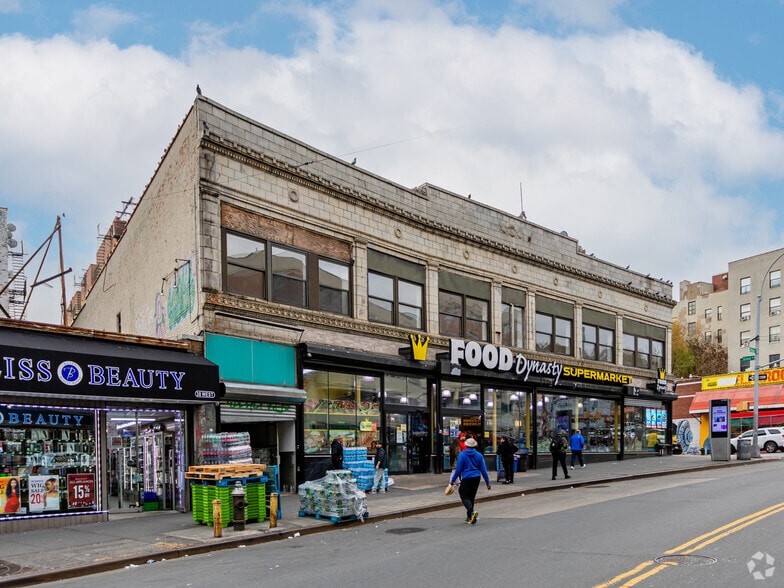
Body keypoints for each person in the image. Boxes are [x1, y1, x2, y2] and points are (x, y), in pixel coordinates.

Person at [449, 437, 491, 524]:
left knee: (463, 494)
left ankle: (471, 512)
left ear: (466, 445)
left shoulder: (462, 455)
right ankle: (469, 517)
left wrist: (452, 481)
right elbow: (483, 470)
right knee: (471, 496)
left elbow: (458, 469)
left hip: (467, 477)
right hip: (476, 477)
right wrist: (487, 482)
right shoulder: (479, 455)